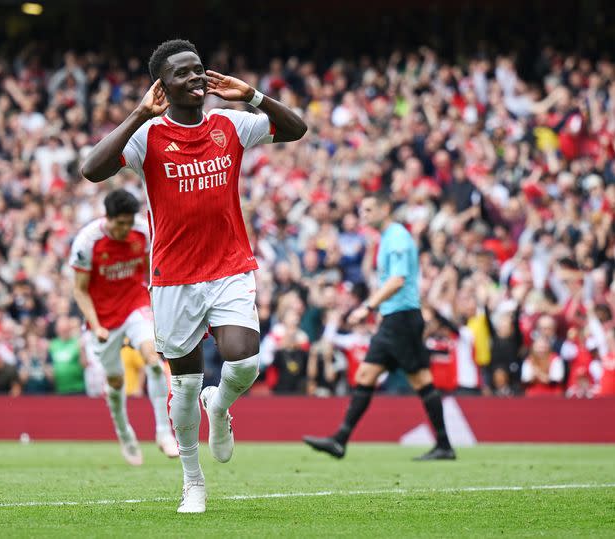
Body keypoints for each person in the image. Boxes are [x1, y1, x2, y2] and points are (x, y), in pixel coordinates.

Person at [80, 39, 306, 513]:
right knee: (182, 388)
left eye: (199, 69)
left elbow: (297, 129)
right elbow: (91, 170)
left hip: (228, 266)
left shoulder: (230, 124)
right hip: (174, 278)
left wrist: (253, 96)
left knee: (244, 362)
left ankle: (219, 405)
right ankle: (193, 480)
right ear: (163, 85)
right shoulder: (150, 135)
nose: (196, 78)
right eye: (183, 73)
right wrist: (139, 115)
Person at [303, 192, 456, 461]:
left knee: (420, 380)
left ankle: (443, 445)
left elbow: (397, 280)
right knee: (367, 376)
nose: (364, 215)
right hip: (396, 318)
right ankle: (340, 440)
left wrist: (367, 306)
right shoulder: (387, 238)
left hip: (402, 318)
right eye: (362, 210)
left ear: (385, 209)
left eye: (369, 209)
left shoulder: (396, 237)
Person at [69, 189, 178, 465]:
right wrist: (95, 325)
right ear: (108, 218)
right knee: (115, 380)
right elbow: (80, 291)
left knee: (153, 359)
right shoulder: (87, 242)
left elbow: (150, 270)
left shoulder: (143, 233)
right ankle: (124, 433)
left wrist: (156, 304)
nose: (125, 229)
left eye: (129, 223)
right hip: (103, 318)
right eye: (120, 224)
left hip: (134, 305)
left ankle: (164, 432)